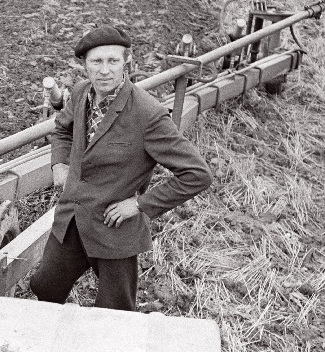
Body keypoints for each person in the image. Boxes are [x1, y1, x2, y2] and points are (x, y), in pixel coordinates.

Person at [29, 25, 212, 311]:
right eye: (96, 62)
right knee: (44, 286)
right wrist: (60, 165)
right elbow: (63, 130)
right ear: (84, 65)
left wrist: (139, 204)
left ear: (126, 61)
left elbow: (197, 174)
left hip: (113, 229)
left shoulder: (147, 113)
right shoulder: (79, 94)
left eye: (112, 61)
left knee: (114, 311)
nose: (104, 70)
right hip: (72, 219)